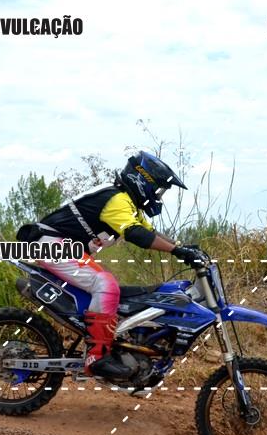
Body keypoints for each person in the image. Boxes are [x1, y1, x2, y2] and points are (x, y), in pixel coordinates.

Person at [16, 151, 202, 380]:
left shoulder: (128, 204)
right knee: (105, 284)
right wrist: (176, 251)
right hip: (51, 244)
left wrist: (183, 248)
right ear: (143, 181)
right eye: (158, 190)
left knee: (106, 290)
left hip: (60, 246)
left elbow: (151, 232)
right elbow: (136, 234)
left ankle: (106, 342)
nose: (158, 196)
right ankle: (97, 357)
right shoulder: (117, 199)